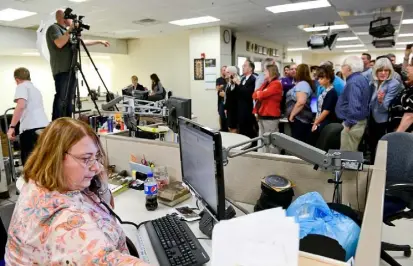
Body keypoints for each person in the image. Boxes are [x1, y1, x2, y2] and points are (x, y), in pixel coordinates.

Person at [5, 118, 149, 265]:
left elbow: (107, 207)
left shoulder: (43, 181)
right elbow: (104, 260)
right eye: (86, 158)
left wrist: (101, 182)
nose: (97, 167)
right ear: (56, 158)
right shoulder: (63, 219)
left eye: (96, 156)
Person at [46, 9, 110, 120]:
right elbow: (59, 43)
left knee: (70, 98)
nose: (72, 20)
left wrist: (99, 41)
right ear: (63, 17)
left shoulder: (67, 31)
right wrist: (70, 30)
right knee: (62, 98)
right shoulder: (54, 28)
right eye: (70, 18)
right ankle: (57, 123)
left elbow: (81, 42)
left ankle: (68, 121)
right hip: (62, 70)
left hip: (71, 69)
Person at [7, 68, 49, 166]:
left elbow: (21, 106)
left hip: (30, 130)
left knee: (30, 163)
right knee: (42, 161)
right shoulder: (36, 90)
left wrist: (12, 127)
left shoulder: (21, 86)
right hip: (44, 127)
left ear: (16, 80)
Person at [367, 57, 401, 161]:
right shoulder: (375, 82)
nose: (383, 73)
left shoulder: (394, 84)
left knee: (381, 148)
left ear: (390, 71)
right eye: (380, 70)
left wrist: (381, 101)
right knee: (372, 146)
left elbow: (385, 108)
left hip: (383, 121)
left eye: (386, 70)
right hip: (372, 118)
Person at [335, 56, 371, 152]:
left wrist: (348, 123)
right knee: (351, 152)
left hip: (353, 123)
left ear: (348, 68)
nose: (341, 69)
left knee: (347, 155)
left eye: (343, 66)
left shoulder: (353, 82)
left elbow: (354, 105)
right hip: (358, 121)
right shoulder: (361, 78)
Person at [253, 64, 283, 153]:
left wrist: (260, 93)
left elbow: (262, 94)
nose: (264, 73)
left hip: (270, 116)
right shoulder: (266, 83)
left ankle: (274, 160)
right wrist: (260, 93)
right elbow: (254, 94)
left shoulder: (276, 83)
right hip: (262, 115)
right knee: (264, 141)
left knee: (272, 142)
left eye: (265, 71)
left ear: (271, 72)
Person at [286, 64, 314, 144]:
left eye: (296, 69)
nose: (294, 71)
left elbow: (301, 102)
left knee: (298, 143)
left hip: (299, 119)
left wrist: (291, 115)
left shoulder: (303, 84)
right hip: (300, 118)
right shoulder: (303, 84)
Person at [311, 65, 339, 144]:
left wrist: (316, 122)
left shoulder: (331, 92)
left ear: (328, 78)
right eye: (318, 78)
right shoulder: (325, 90)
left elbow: (326, 111)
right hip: (321, 120)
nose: (319, 81)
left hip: (326, 122)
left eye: (321, 78)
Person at [389, 64, 413, 132]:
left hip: (405, 132)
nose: (406, 74)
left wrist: (398, 133)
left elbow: (410, 116)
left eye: (408, 72)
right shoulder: (409, 86)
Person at [237, 60, 257, 140]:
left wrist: (239, 84)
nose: (243, 67)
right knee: (241, 130)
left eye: (245, 65)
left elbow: (249, 93)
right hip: (241, 109)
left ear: (250, 68)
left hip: (248, 109)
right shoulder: (243, 79)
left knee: (248, 131)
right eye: (243, 65)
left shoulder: (253, 79)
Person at [224, 66, 240, 133]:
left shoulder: (237, 81)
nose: (225, 73)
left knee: (234, 128)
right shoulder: (229, 83)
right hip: (229, 109)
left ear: (232, 73)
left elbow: (235, 95)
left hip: (235, 109)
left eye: (227, 72)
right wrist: (226, 108)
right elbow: (227, 97)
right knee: (230, 127)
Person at [216, 66, 228, 131]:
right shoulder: (218, 80)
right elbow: (217, 89)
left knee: (227, 117)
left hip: (228, 101)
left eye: (226, 70)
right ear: (221, 71)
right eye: (223, 70)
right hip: (221, 101)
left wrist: (222, 86)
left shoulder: (228, 79)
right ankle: (222, 128)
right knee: (221, 115)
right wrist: (222, 86)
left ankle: (226, 129)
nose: (225, 71)